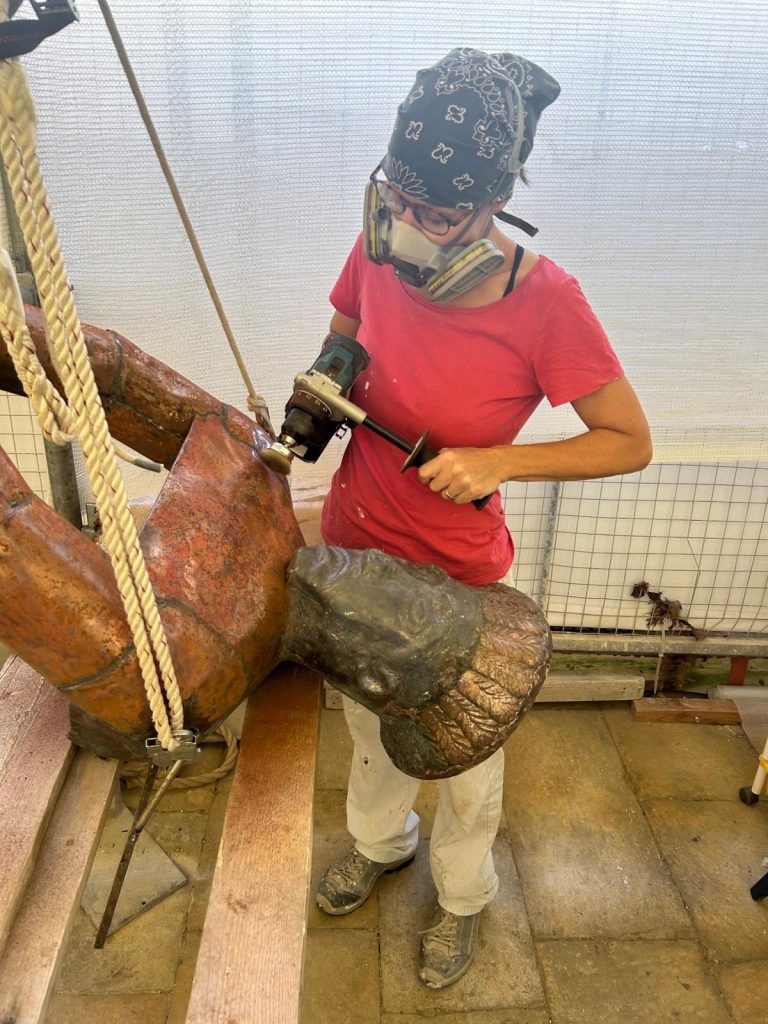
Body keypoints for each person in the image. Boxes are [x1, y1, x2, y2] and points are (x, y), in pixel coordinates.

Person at [315, 47, 652, 989]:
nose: (409, 226)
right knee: (372, 728)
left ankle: (462, 897)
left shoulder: (547, 303)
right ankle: (380, 846)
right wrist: (326, 383)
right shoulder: (378, 241)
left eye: (436, 214)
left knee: (462, 754)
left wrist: (501, 460)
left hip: (455, 573)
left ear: (496, 200)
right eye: (398, 199)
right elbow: (345, 328)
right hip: (358, 545)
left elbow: (628, 439)